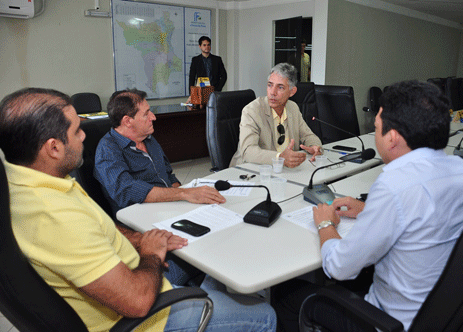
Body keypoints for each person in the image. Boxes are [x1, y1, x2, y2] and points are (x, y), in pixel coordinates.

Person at [0, 87, 277, 332]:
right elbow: (138, 302)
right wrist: (151, 252)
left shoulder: (36, 185)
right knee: (264, 314)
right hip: (148, 312)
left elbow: (100, 227)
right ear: (53, 147)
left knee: (215, 260)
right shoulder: (55, 216)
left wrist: (142, 238)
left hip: (139, 262)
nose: (85, 135)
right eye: (76, 130)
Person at [272, 80, 463, 332]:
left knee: (285, 296)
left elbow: (338, 268)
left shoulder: (395, 184)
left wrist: (325, 224)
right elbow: (424, 221)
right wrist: (368, 210)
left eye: (376, 127)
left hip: (388, 322)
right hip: (448, 314)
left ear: (392, 138)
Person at [94, 88, 226, 218]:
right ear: (127, 121)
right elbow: (126, 191)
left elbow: (168, 175)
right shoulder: (108, 149)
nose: (153, 117)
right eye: (146, 114)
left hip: (167, 206)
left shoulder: (148, 139)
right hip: (138, 216)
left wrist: (186, 197)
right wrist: (183, 194)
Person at [230, 63, 322, 168]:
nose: (272, 92)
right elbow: (248, 151)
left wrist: (314, 146)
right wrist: (280, 157)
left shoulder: (293, 108)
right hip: (249, 171)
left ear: (292, 92)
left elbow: (308, 136)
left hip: (283, 172)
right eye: (270, 85)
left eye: (280, 87)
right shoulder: (252, 111)